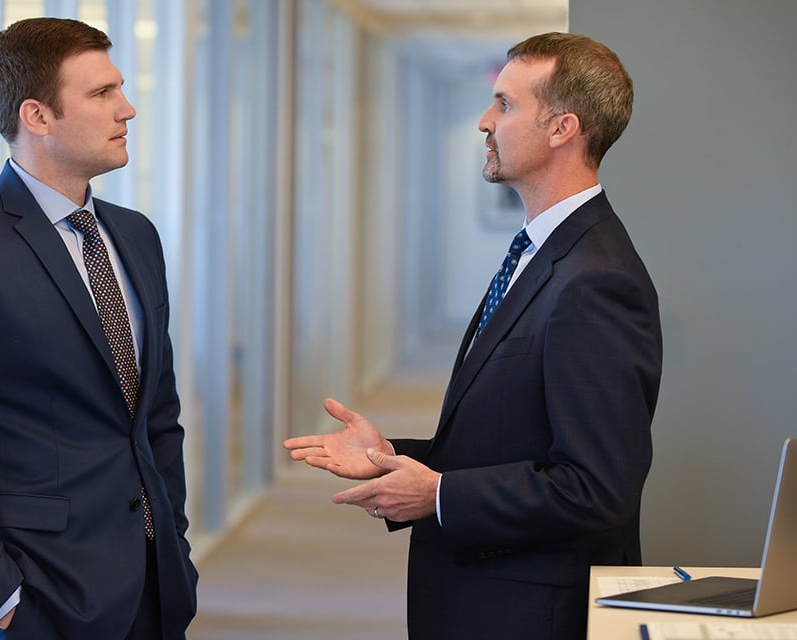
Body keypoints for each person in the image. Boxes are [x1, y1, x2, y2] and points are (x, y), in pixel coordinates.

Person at [283, 32, 662, 639]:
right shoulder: (546, 255)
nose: (485, 121)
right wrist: (395, 460)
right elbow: (516, 442)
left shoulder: (595, 281)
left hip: (532, 614)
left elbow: (597, 488)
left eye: (506, 105)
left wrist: (436, 496)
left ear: (562, 128)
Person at [0, 17, 196, 640]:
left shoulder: (137, 237)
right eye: (101, 94)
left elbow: (156, 417)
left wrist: (174, 544)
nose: (127, 109)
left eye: (121, 89)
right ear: (38, 116)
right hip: (36, 599)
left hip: (151, 592)